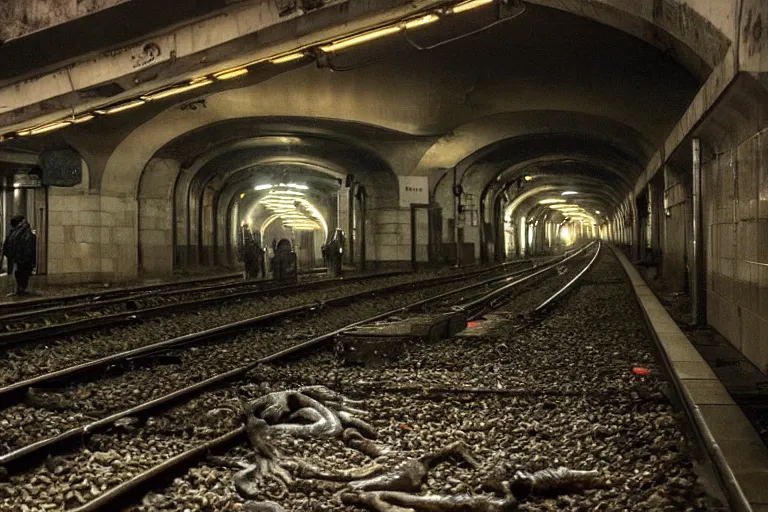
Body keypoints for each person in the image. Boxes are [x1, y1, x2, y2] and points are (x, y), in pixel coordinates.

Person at [1, 215, 36, 296]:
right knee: (19, 274)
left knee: (19, 274)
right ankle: (19, 290)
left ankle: (19, 290)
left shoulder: (18, 231)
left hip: (19, 257)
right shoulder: (19, 231)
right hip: (19, 257)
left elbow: (26, 245)